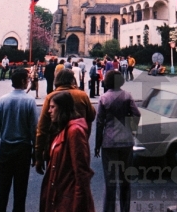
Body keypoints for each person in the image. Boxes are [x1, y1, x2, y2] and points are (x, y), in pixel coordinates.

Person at [0, 68, 38, 212]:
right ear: (23, 82)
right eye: (27, 79)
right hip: (23, 150)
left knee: (2, 191)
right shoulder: (29, 101)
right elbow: (34, 130)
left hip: (6, 150)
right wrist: (36, 153)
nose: (28, 81)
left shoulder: (3, 100)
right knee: (20, 193)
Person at [37, 91, 95, 212]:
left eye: (53, 107)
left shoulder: (74, 132)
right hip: (61, 195)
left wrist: (78, 204)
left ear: (62, 109)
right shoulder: (63, 129)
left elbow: (81, 172)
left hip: (68, 199)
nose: (49, 111)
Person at [95, 70, 141, 212]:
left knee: (110, 181)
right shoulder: (127, 96)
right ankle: (124, 209)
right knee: (125, 180)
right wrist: (131, 128)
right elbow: (137, 114)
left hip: (109, 142)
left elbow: (99, 123)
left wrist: (97, 144)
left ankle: (109, 210)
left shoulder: (104, 98)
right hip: (126, 141)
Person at [35, 69, 96, 171]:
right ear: (72, 80)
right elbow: (92, 115)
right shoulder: (81, 95)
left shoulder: (51, 97)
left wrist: (38, 155)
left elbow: (42, 128)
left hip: (55, 144)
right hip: (78, 142)